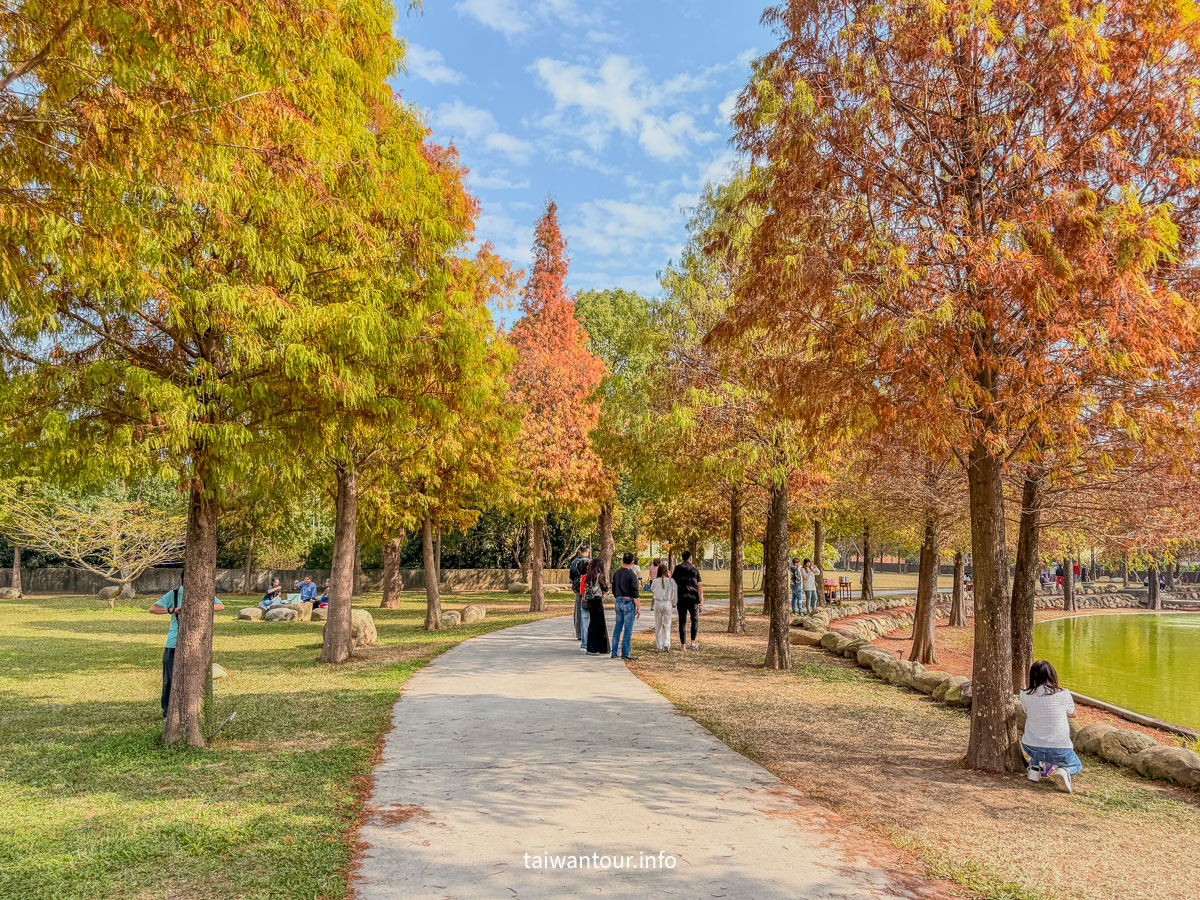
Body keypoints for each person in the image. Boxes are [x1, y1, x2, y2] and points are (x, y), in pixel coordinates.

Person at [150, 570, 224, 718]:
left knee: (195, 677)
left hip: (196, 643)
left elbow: (220, 606)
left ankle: (196, 709)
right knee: (170, 679)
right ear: (181, 579)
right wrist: (173, 610)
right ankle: (168, 712)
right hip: (174, 642)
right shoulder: (175, 594)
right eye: (186, 578)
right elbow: (153, 609)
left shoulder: (203, 593)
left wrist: (200, 607)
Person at [1020, 660, 1081, 793]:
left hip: (1031, 746)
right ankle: (1064, 771)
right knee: (1076, 764)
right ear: (1053, 675)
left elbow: (1026, 711)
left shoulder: (1025, 694)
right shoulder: (1063, 693)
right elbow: (1072, 714)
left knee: (1040, 747)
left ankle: (1035, 769)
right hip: (1060, 749)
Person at [610, 552, 641, 661]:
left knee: (618, 627)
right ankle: (625, 653)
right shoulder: (632, 575)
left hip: (618, 600)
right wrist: (638, 607)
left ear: (622, 560)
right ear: (632, 562)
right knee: (628, 629)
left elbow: (613, 588)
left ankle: (614, 651)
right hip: (628, 601)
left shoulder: (616, 573)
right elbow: (635, 592)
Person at [672, 550, 704, 650]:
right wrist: (701, 600)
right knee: (694, 620)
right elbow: (699, 586)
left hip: (681, 597)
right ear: (690, 558)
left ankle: (683, 645)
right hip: (693, 598)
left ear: (682, 558)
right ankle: (693, 642)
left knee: (682, 621)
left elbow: (673, 583)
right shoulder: (695, 569)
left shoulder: (677, 568)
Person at [583, 558, 610, 656]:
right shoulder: (600, 576)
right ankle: (596, 647)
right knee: (599, 624)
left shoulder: (588, 576)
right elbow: (604, 588)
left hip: (590, 601)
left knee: (593, 623)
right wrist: (607, 586)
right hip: (597, 600)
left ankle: (592, 646)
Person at [568, 544, 591, 643]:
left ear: (580, 552)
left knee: (578, 610)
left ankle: (579, 633)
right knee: (589, 611)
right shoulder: (591, 562)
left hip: (578, 588)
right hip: (589, 589)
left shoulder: (574, 562)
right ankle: (588, 632)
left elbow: (571, 576)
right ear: (588, 551)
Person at [650, 565, 677, 651]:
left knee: (658, 624)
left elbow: (652, 589)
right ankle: (666, 643)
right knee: (667, 624)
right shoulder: (671, 581)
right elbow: (675, 593)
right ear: (667, 572)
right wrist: (674, 603)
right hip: (667, 603)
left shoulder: (655, 581)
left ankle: (659, 645)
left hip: (658, 603)